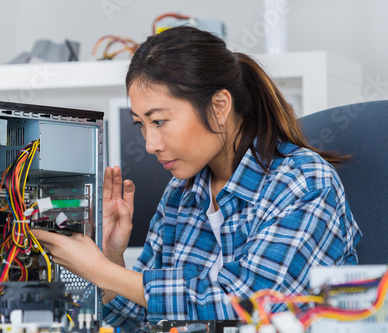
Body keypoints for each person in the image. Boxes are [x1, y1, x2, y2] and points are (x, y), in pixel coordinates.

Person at [32, 26, 361, 330]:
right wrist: (112, 259)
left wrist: (101, 271)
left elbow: (251, 308)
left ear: (219, 106)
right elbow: (143, 319)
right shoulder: (181, 194)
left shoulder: (303, 183)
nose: (150, 144)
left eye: (159, 121)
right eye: (140, 124)